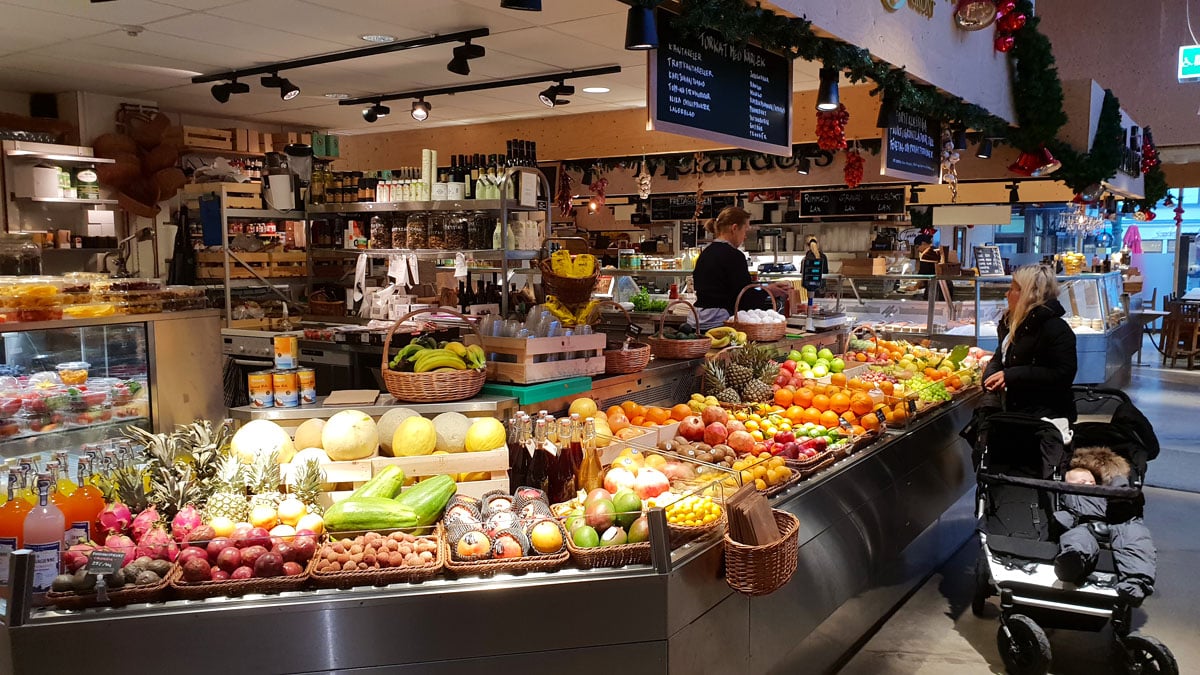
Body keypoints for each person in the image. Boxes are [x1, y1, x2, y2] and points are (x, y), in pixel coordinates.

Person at [1053, 446, 1157, 606]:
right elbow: (1065, 511)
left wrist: (1117, 480)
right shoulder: (1071, 494)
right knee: (1076, 538)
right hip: (1085, 524)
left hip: (1117, 522)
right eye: (1083, 482)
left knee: (1136, 537)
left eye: (1092, 482)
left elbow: (1123, 494)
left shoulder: (1108, 489)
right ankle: (1073, 562)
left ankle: (1135, 583)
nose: (1089, 484)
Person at [692, 206, 772, 330]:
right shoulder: (734, 256)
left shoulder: (705, 253)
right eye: (745, 230)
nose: (745, 236)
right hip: (719, 324)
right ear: (734, 228)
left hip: (696, 321)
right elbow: (743, 298)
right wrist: (769, 291)